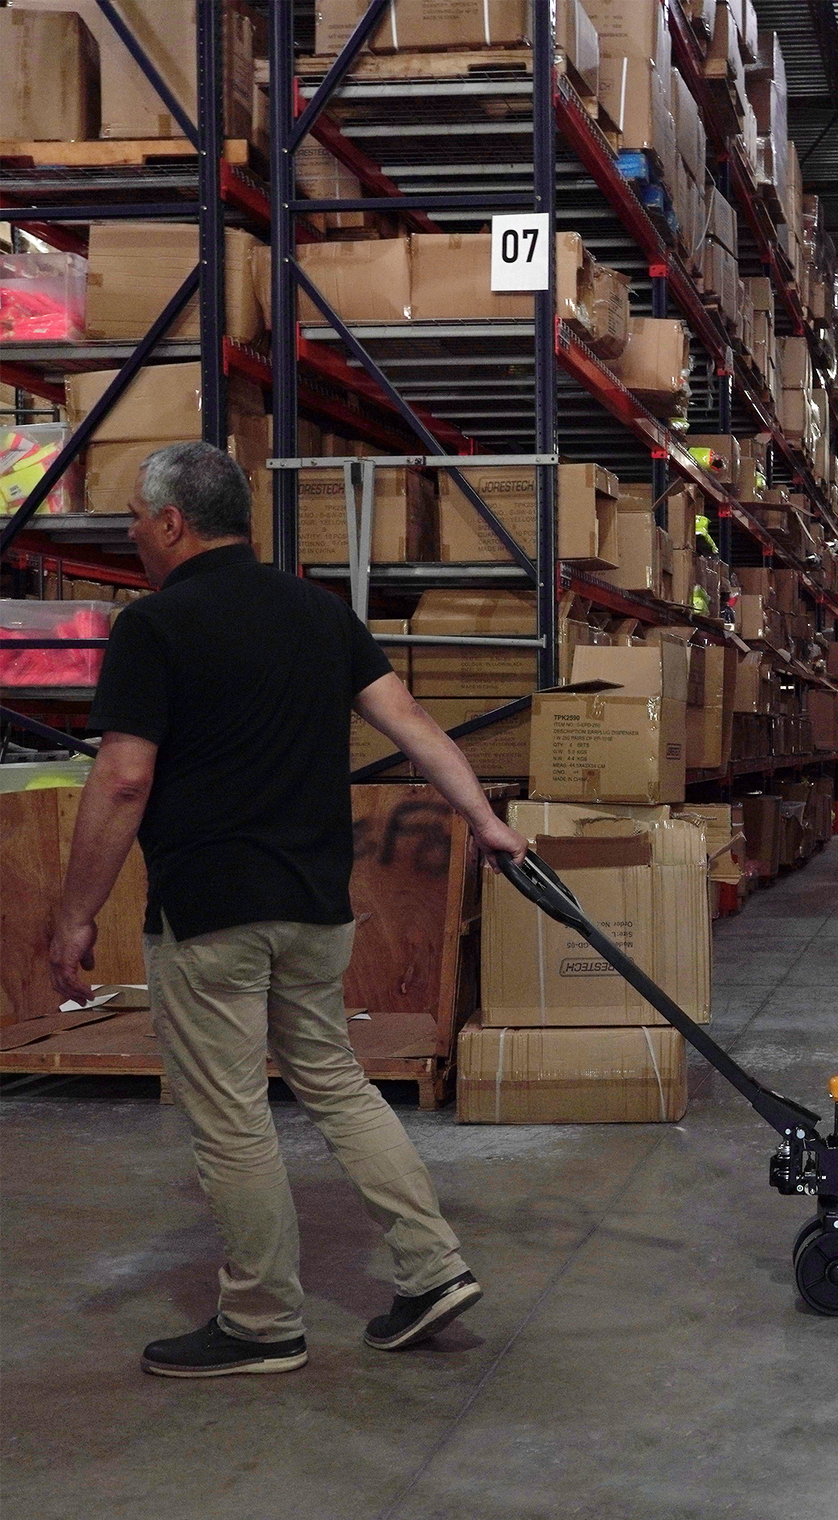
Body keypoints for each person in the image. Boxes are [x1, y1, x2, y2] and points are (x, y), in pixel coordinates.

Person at [47, 440, 529, 1379]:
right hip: (315, 904)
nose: (134, 537)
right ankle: (432, 1268)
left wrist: (74, 918)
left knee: (230, 1116)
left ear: (174, 522)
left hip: (213, 912)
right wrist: (485, 823)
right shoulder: (321, 614)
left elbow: (122, 780)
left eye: (137, 522)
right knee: (339, 1086)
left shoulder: (154, 627)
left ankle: (262, 1321)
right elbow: (417, 728)